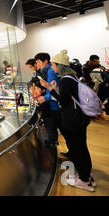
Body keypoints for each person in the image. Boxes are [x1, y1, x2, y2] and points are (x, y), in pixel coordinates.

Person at [38, 50, 96, 192]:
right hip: (81, 118)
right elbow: (68, 97)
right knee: (82, 147)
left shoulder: (65, 79)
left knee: (76, 150)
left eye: (53, 65)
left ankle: (84, 180)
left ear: (59, 65)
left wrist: (49, 88)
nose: (52, 67)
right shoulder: (72, 77)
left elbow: (63, 101)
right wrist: (56, 88)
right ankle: (87, 176)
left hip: (72, 120)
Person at [34, 52, 61, 148]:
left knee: (50, 124)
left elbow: (53, 90)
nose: (37, 65)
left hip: (54, 105)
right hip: (52, 103)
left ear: (45, 61)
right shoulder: (46, 71)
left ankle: (52, 142)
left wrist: (44, 98)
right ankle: (53, 141)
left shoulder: (50, 71)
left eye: (38, 62)